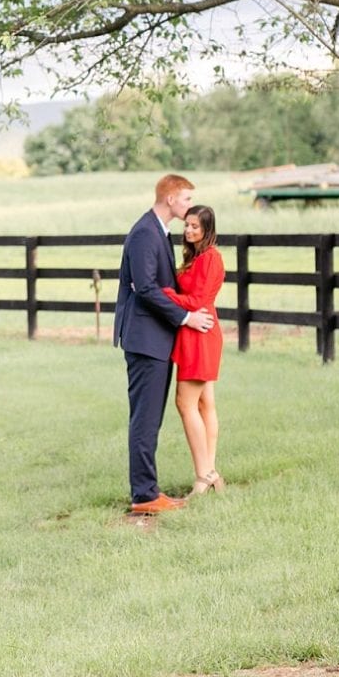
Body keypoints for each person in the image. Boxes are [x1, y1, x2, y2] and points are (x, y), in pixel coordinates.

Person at [114, 174, 215, 515]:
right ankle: (144, 496)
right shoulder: (145, 232)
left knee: (151, 418)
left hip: (156, 339)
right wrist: (186, 318)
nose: (189, 207)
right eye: (186, 199)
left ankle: (148, 490)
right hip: (145, 340)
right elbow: (145, 288)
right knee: (145, 419)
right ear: (171, 198)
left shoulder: (158, 230)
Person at [162, 205, 226, 495]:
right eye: (186, 225)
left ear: (207, 230)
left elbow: (199, 298)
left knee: (185, 404)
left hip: (201, 332)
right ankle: (211, 472)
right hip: (193, 332)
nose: (188, 231)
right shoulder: (195, 257)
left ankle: (204, 475)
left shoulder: (210, 258)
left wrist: (165, 294)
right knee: (204, 404)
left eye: (195, 227)